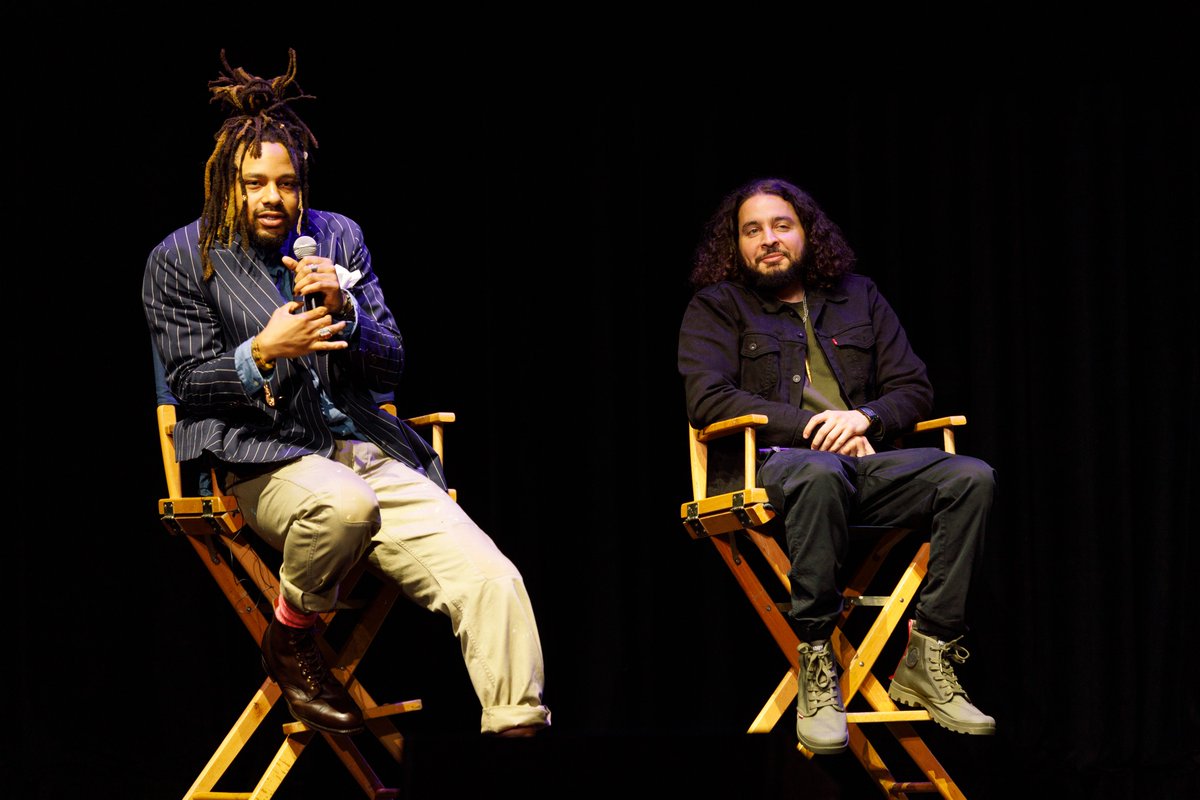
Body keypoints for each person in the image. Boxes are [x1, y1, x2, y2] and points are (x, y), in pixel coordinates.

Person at [143, 50, 550, 738]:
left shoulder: (338, 237)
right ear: (225, 184)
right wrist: (261, 352)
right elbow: (187, 383)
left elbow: (390, 365)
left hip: (363, 449)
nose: (274, 198)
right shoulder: (182, 258)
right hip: (262, 457)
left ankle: (517, 744)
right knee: (343, 505)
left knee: (495, 583)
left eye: (288, 183)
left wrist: (348, 311)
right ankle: (291, 635)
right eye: (255, 184)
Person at [677, 177, 995, 755]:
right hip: (768, 469)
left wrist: (865, 418)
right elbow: (708, 399)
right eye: (752, 231)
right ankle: (817, 658)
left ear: (807, 234)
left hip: (862, 468)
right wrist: (811, 428)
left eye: (781, 226)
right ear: (736, 246)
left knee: (968, 477)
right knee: (817, 471)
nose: (768, 240)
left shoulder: (859, 296)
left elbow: (913, 388)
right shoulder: (717, 306)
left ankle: (930, 650)